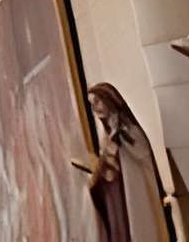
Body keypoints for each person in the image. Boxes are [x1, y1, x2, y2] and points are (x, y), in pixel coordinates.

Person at [73, 81, 171, 242]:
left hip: (136, 192)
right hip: (121, 197)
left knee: (141, 227)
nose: (95, 108)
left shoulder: (129, 131)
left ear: (109, 99)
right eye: (91, 104)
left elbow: (142, 152)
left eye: (97, 102)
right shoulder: (108, 135)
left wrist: (121, 140)